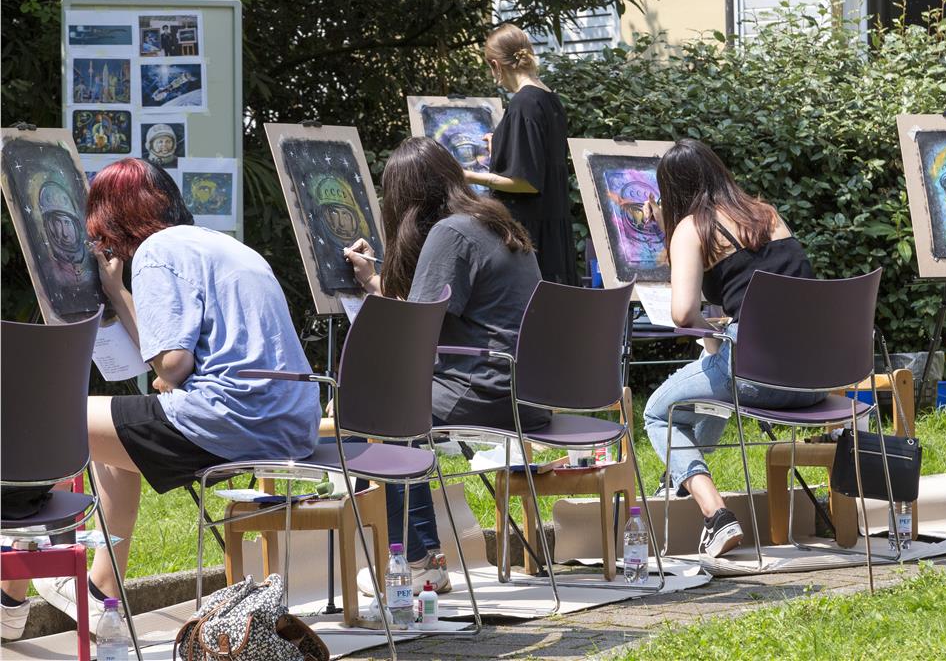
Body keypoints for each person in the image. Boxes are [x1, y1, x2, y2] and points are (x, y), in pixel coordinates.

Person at [0, 158, 320, 639]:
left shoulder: (156, 252)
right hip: (290, 422)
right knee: (113, 440)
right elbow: (185, 355)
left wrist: (116, 291)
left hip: (232, 418)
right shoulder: (222, 245)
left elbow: (171, 364)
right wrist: (119, 293)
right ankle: (100, 592)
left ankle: (10, 594)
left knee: (50, 418)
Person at [344, 136, 543, 595]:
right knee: (393, 417)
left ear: (405, 197)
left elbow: (415, 331)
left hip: (483, 389)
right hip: (524, 392)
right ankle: (424, 559)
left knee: (368, 419)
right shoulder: (493, 221)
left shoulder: (449, 233)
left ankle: (416, 563)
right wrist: (374, 282)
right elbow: (429, 312)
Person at [641, 139, 826, 558]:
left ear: (671, 191)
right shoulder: (766, 214)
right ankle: (682, 475)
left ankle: (715, 514)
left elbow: (683, 312)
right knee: (711, 372)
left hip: (759, 377)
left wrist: (711, 331)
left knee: (656, 412)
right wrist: (716, 337)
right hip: (816, 378)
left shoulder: (692, 228)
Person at [461, 23, 577, 286]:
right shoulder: (550, 99)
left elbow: (526, 182)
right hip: (551, 231)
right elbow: (538, 160)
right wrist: (501, 145)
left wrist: (466, 175)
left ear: (495, 65)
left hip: (529, 236)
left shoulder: (523, 103)